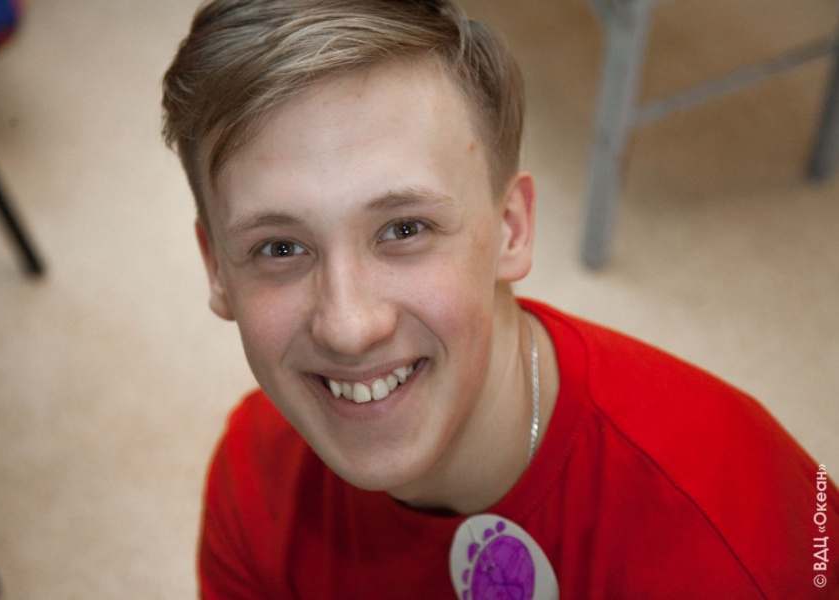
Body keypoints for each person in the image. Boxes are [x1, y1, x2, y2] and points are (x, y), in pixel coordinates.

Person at [161, 1, 838, 597]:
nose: (348, 326)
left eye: (405, 229)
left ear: (512, 229)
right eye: (280, 247)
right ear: (217, 270)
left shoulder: (735, 555)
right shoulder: (255, 476)